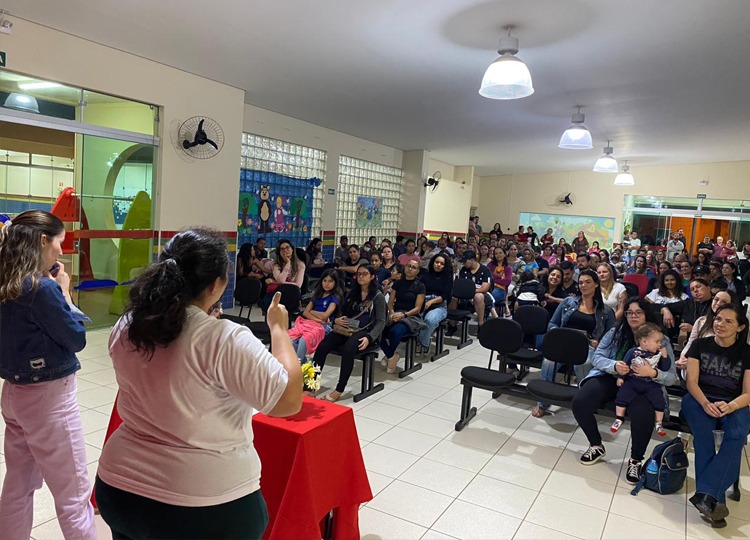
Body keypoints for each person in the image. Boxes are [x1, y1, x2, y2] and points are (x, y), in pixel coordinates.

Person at [95, 228, 303, 539]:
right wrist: (278, 330)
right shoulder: (222, 338)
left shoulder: (128, 325)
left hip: (120, 488)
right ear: (216, 285)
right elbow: (288, 401)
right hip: (203, 505)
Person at [0, 210, 97, 540]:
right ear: (42, 241)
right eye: (59, 242)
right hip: (49, 402)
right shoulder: (41, 290)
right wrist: (65, 293)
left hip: (14, 394)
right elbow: (76, 338)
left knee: (18, 485)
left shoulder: (6, 283)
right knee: (73, 495)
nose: (61, 249)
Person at [571, 297, 678, 483]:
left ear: (647, 314)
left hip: (644, 385)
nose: (633, 316)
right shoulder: (616, 332)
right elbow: (597, 357)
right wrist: (614, 365)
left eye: (638, 312)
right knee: (580, 402)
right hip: (612, 378)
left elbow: (671, 377)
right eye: (629, 312)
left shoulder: (662, 340)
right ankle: (596, 445)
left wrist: (652, 372)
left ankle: (636, 460)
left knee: (643, 414)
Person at [682, 303, 750, 527]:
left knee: (737, 435)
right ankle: (715, 500)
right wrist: (704, 402)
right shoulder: (700, 345)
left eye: (728, 321)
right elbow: (691, 381)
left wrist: (730, 406)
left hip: (733, 402)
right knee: (704, 438)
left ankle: (707, 495)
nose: (720, 324)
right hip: (699, 398)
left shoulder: (747, 352)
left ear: (740, 327)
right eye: (718, 319)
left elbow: (748, 393)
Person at [532, 269, 616, 418]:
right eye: (581, 282)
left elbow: (611, 336)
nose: (583, 285)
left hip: (587, 346)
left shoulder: (606, 311)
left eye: (588, 282)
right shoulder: (568, 302)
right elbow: (553, 323)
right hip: (564, 342)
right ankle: (542, 403)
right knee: (549, 361)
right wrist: (556, 332)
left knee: (584, 363)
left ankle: (584, 403)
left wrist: (599, 343)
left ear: (596, 284)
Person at [314, 266, 387, 402]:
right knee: (323, 346)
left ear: (372, 277)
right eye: (358, 274)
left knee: (349, 350)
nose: (360, 276)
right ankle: (311, 384)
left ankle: (339, 389)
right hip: (347, 328)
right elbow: (342, 311)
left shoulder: (378, 296)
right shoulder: (352, 293)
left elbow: (381, 322)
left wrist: (370, 337)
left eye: (364, 274)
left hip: (365, 331)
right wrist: (336, 320)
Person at [610, 323, 671, 436]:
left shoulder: (658, 354)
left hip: (650, 383)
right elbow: (625, 365)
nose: (659, 345)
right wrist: (621, 377)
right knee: (622, 395)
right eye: (657, 342)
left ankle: (659, 423)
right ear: (644, 342)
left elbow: (665, 368)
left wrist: (665, 357)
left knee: (659, 400)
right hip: (632, 381)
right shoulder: (633, 352)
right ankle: (619, 418)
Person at [288, 268, 343, 361]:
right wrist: (316, 318)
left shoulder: (334, 298)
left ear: (335, 283)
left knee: (303, 340)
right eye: (325, 280)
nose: (327, 283)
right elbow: (305, 312)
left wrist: (312, 312)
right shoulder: (317, 295)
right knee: (291, 339)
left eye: (330, 281)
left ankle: (299, 367)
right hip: (310, 323)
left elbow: (325, 316)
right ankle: (301, 365)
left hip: (323, 327)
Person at [381, 260, 426, 373]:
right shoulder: (398, 283)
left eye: (413, 267)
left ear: (417, 271)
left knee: (395, 332)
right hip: (395, 313)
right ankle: (392, 355)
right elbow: (390, 302)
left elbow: (417, 308)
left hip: (410, 316)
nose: (410, 269)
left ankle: (389, 355)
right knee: (378, 329)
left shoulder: (420, 286)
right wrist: (391, 313)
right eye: (408, 266)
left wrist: (403, 315)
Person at [677, 290, 738, 371]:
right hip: (695, 362)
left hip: (721, 366)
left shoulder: (736, 324)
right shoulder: (701, 321)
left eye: (724, 302)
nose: (718, 303)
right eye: (716, 299)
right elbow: (690, 344)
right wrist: (683, 358)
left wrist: (693, 362)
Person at [417, 253, 453, 355]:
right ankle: (420, 340)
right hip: (423, 301)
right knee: (414, 317)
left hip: (439, 305)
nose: (438, 265)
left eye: (442, 263)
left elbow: (445, 295)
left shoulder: (448, 278)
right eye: (437, 262)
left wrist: (431, 302)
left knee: (429, 319)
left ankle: (423, 343)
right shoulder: (425, 276)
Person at [262, 239, 305, 309]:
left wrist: (274, 281)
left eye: (287, 247)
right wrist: (288, 263)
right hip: (275, 294)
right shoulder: (275, 265)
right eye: (282, 249)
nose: (285, 250)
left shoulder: (300, 265)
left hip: (290, 294)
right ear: (279, 252)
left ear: (292, 249)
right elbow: (281, 280)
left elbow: (298, 285)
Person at [487, 247, 513, 317]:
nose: (498, 255)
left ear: (505, 254)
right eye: (496, 253)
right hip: (489, 288)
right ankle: (493, 314)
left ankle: (493, 314)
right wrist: (499, 278)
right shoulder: (490, 265)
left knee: (489, 297)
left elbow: (507, 282)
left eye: (500, 253)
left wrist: (493, 278)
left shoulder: (508, 268)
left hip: (502, 290)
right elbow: (487, 277)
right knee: (485, 296)